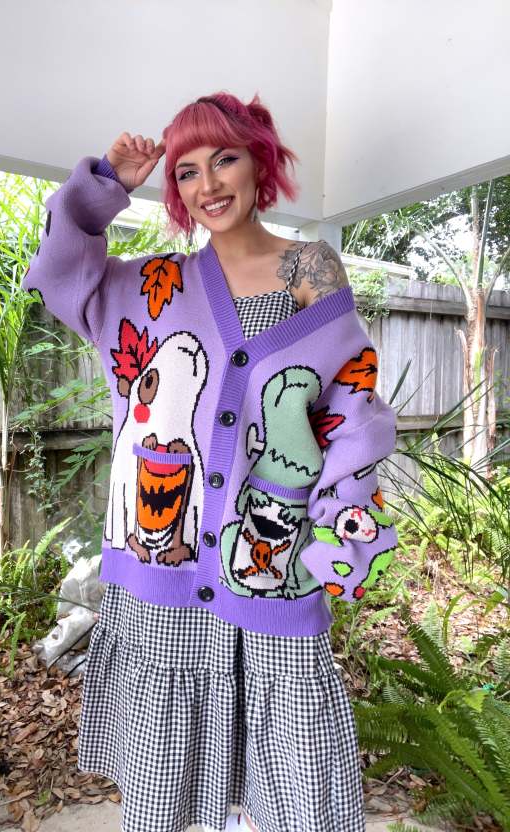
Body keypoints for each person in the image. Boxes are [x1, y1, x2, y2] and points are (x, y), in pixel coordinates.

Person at [22, 91, 398, 832]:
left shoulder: (309, 267)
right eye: (187, 171)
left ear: (260, 162)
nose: (209, 184)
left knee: (296, 789)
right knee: (165, 790)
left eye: (224, 159)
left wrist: (345, 528)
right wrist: (106, 189)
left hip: (270, 560)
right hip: (163, 568)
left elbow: (349, 404)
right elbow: (62, 274)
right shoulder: (152, 286)